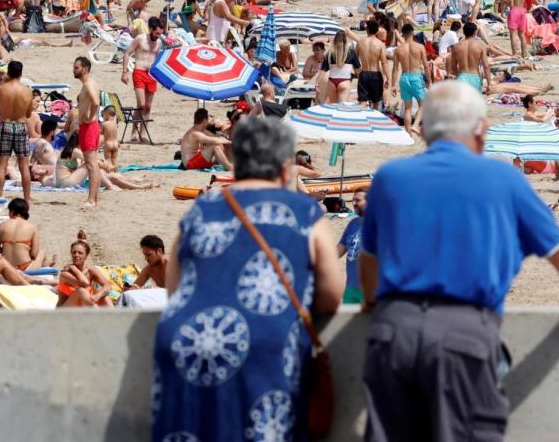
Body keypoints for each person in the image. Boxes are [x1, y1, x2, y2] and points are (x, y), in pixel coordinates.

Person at [359, 81, 559, 441]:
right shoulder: (502, 178)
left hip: (394, 332)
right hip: (463, 332)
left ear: (424, 131)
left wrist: (373, 304)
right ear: (479, 128)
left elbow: (369, 262)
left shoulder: (390, 177)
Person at [153, 116, 342, 440]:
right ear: (285, 167)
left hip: (185, 343)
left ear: (236, 163)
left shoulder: (202, 209)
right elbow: (330, 295)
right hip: (264, 344)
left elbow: (174, 290)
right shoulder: (303, 212)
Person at [0, 61, 34, 202]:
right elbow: (28, 114)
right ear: (21, 74)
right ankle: (27, 199)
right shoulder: (27, 91)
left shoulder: (0, 90)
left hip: (6, 125)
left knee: (1, 166)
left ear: (8, 73)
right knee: (23, 166)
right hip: (21, 126)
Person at [121, 16, 164, 143]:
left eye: (160, 33)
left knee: (148, 106)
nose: (158, 36)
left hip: (151, 74)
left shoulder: (159, 42)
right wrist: (125, 72)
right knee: (141, 104)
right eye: (156, 33)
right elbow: (127, 53)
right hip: (139, 71)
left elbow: (157, 60)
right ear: (150, 29)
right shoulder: (140, 39)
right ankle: (134, 131)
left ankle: (143, 133)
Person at [73, 57, 101, 208]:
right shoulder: (89, 83)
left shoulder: (88, 84)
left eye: (76, 67)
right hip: (90, 126)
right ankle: (94, 198)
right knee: (92, 164)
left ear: (85, 69)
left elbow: (96, 102)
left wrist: (89, 117)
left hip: (89, 127)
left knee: (91, 164)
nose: (74, 70)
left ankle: (91, 199)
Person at [391, 24, 429, 134]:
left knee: (408, 108)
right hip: (416, 77)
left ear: (402, 34)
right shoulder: (420, 47)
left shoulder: (398, 49)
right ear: (412, 33)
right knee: (423, 104)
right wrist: (430, 81)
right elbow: (426, 66)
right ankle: (415, 125)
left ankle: (408, 134)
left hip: (404, 77)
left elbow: (395, 69)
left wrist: (393, 85)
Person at [57, 232, 113, 307]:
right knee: (81, 291)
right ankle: (98, 315)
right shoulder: (66, 273)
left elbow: (108, 286)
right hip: (64, 312)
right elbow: (84, 283)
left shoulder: (91, 271)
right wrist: (73, 268)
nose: (76, 255)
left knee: (102, 292)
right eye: (74, 252)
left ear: (86, 256)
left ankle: (114, 316)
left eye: (80, 253)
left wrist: (98, 296)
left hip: (82, 310)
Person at [0, 199, 47, 271]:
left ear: (12, 211)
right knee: (41, 253)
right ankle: (47, 265)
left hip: (6, 268)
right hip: (24, 268)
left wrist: (6, 248)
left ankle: (47, 264)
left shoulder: (2, 225)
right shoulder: (32, 227)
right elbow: (34, 254)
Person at [338, 188, 367, 304]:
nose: (354, 204)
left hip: (371, 289)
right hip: (351, 289)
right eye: (352, 201)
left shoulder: (381, 224)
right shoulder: (353, 224)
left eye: (358, 200)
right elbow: (339, 250)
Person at [448, 21, 493, 94]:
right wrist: (489, 84)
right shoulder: (480, 47)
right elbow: (486, 66)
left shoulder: (456, 47)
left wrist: (457, 76)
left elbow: (453, 66)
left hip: (462, 77)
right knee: (474, 103)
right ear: (475, 32)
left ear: (464, 32)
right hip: (475, 77)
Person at [356, 19, 389, 109]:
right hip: (376, 75)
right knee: (376, 104)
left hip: (364, 73)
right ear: (377, 31)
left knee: (362, 103)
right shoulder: (380, 44)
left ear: (367, 29)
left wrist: (357, 71)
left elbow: (355, 59)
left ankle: (362, 121)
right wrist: (388, 77)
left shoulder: (360, 42)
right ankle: (374, 122)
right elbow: (384, 62)